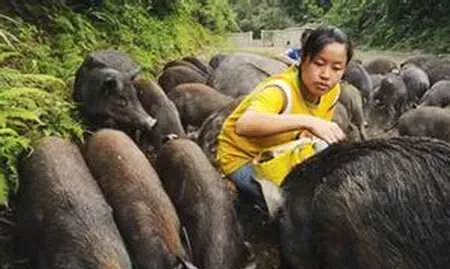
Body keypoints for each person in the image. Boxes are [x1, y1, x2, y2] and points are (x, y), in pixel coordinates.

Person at [217, 26, 353, 207]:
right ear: (303, 59)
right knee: (289, 205)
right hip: (244, 158)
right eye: (319, 64)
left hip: (280, 150)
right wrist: (309, 122)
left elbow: (310, 134)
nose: (326, 75)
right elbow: (244, 124)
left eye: (336, 68)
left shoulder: (332, 92)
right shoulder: (280, 90)